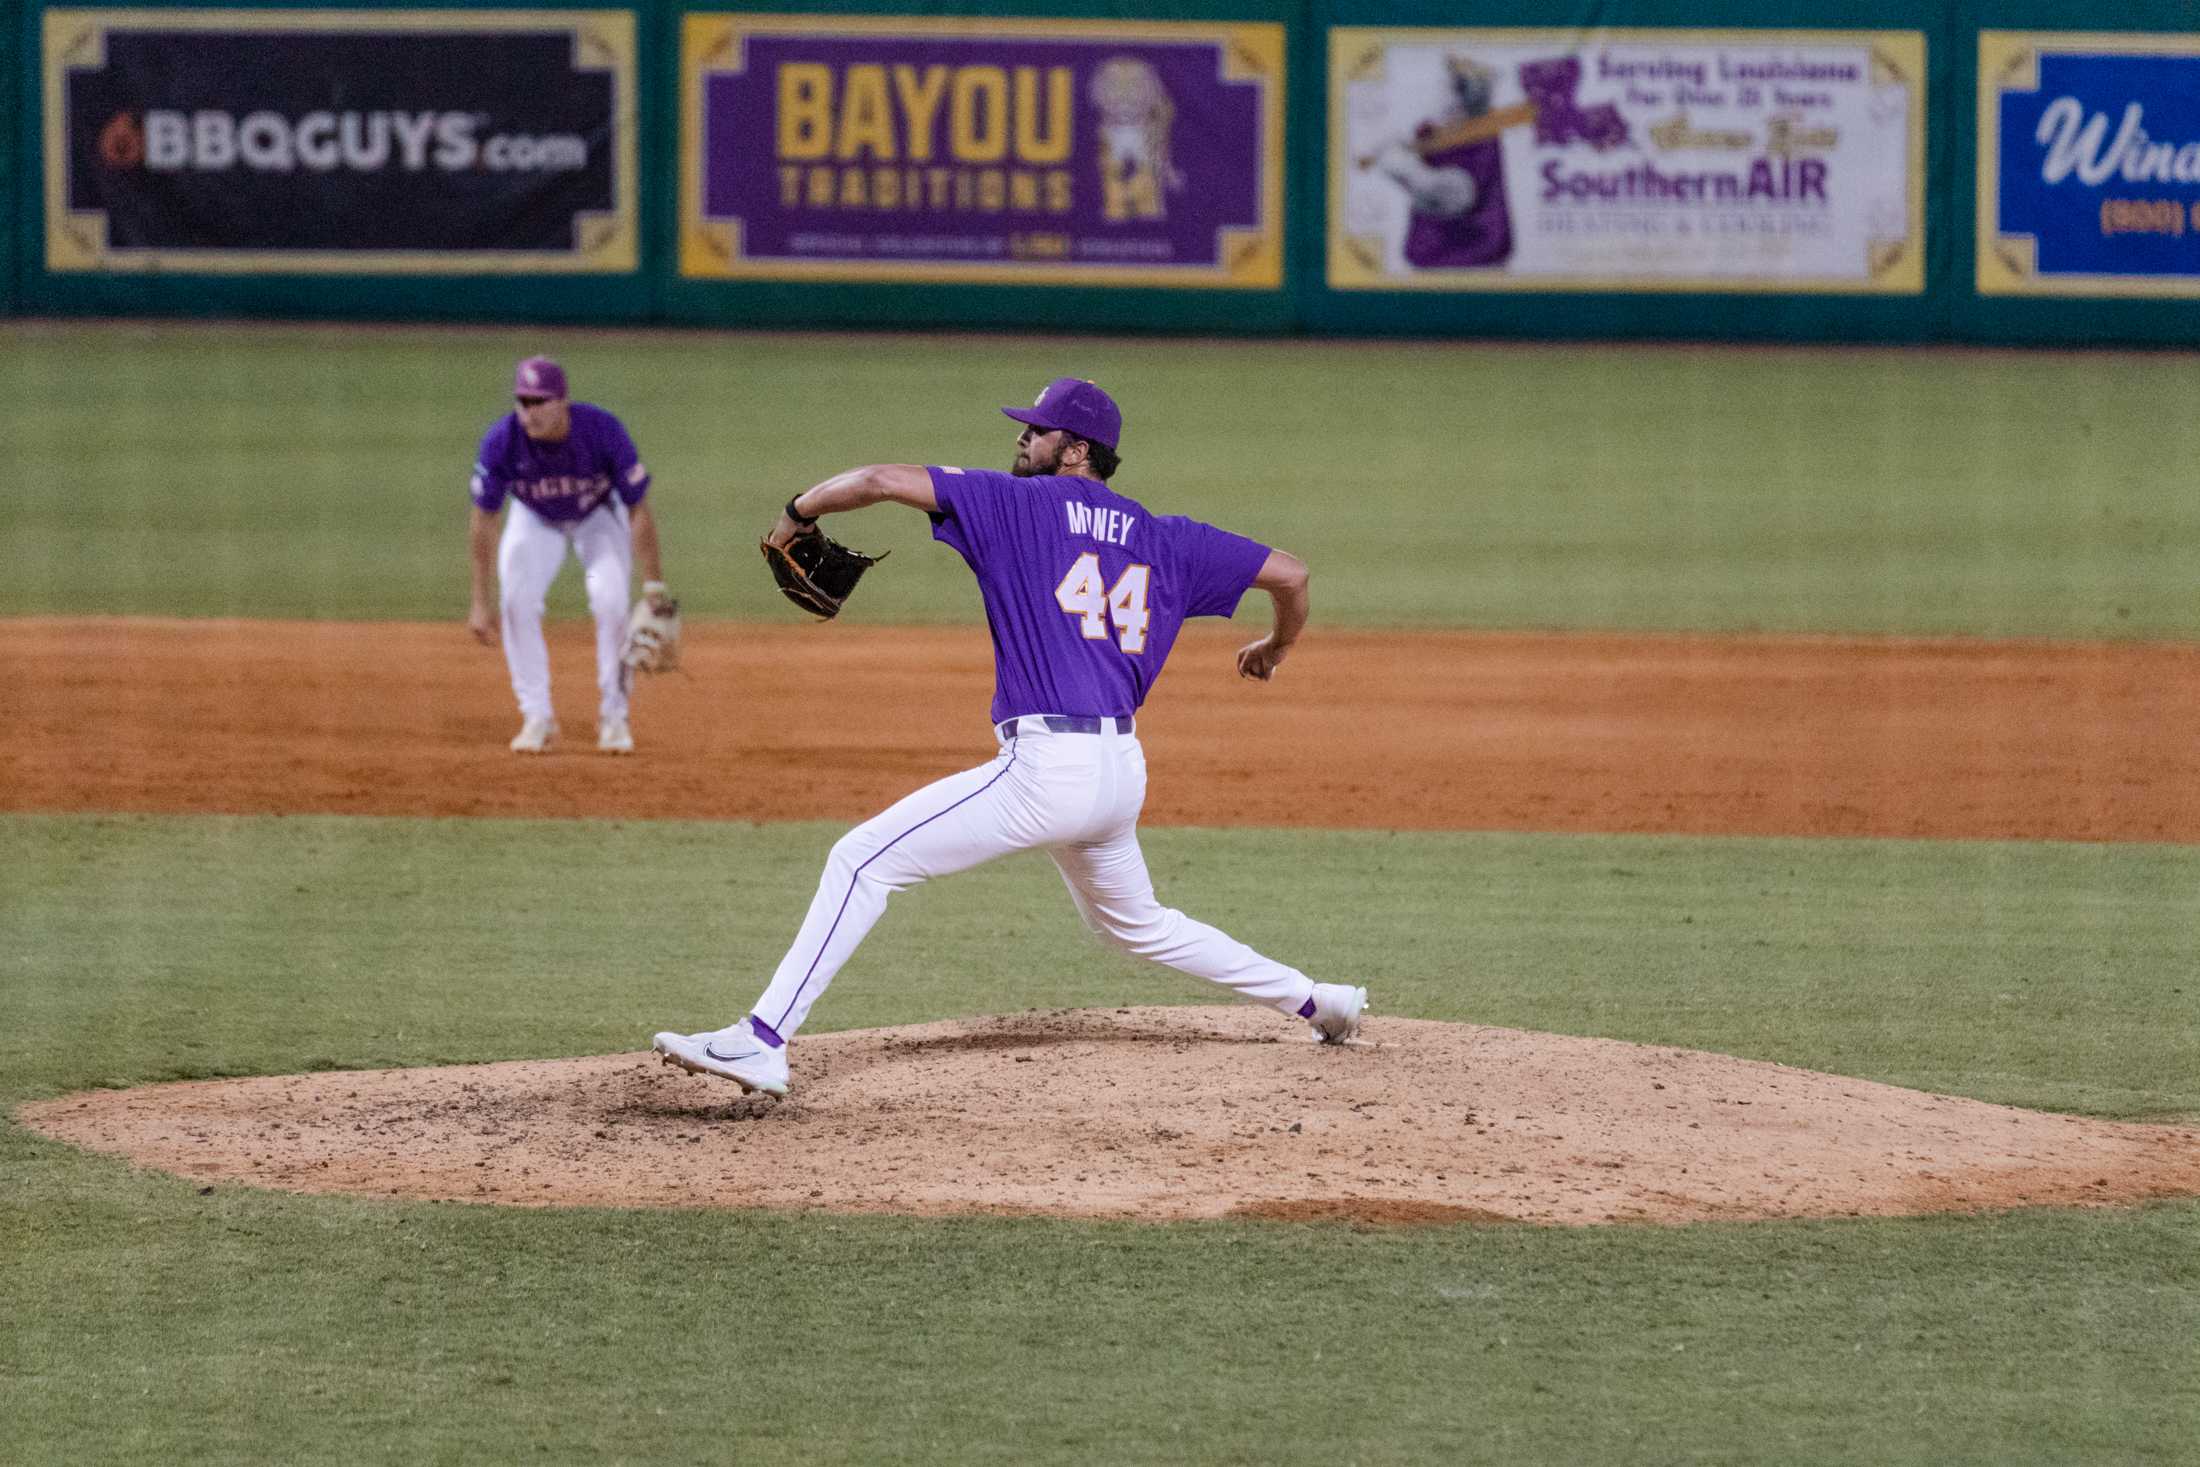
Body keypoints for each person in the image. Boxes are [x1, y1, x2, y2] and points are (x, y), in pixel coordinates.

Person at [652, 376, 1366, 1097]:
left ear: (1075, 449)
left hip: (1047, 770)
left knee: (861, 860)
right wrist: (1274, 649)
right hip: (1119, 771)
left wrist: (793, 514)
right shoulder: (1167, 537)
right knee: (1140, 926)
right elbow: (1293, 574)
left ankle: (761, 1040)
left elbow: (876, 479)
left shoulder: (1014, 503)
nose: (1022, 438)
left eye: (1037, 430)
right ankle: (1320, 1001)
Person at [466, 357, 670, 754]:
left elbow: (638, 508)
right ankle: (536, 716)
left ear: (563, 401)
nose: (530, 411)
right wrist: (479, 599)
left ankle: (614, 717)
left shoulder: (601, 429)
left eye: (539, 401)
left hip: (598, 514)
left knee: (611, 601)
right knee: (516, 601)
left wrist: (654, 586)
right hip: (535, 518)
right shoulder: (502, 440)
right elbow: (484, 521)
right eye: (522, 401)